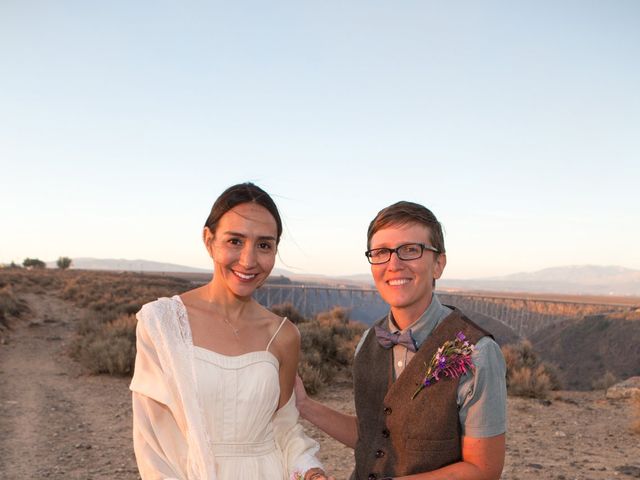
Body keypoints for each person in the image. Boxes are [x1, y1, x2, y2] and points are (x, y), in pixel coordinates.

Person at [130, 182, 332, 480]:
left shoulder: (283, 334)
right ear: (208, 240)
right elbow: (153, 444)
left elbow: (284, 427)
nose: (249, 261)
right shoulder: (163, 323)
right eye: (235, 241)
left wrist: (310, 471)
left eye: (264, 245)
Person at [295, 201, 507, 480]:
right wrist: (305, 405)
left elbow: (483, 469)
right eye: (381, 252)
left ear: (438, 264)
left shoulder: (477, 353)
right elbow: (374, 436)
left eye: (410, 250)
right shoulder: (367, 343)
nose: (394, 264)